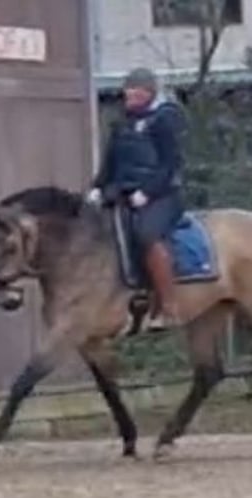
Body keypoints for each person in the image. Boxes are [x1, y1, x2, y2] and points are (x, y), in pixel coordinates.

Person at [87, 67, 186, 329]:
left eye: (135, 89)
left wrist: (147, 192)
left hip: (162, 195)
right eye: (127, 88)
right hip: (123, 193)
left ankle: (169, 305)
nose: (128, 93)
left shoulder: (164, 120)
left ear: (148, 93)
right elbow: (111, 161)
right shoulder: (122, 123)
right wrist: (97, 188)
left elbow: (170, 164)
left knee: (147, 235)